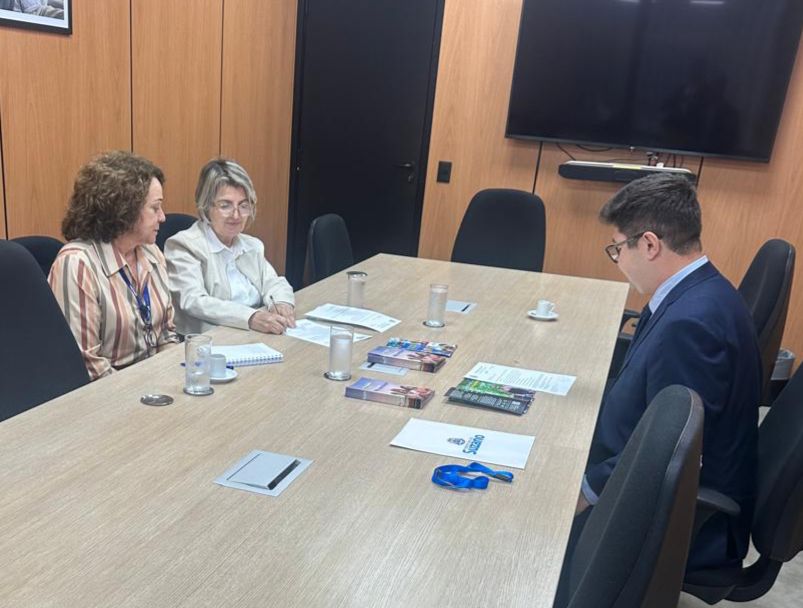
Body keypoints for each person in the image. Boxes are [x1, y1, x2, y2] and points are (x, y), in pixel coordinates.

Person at [579, 174, 761, 572]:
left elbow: (666, 452)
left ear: (649, 244)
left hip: (669, 520)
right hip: (627, 465)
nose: (618, 261)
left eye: (617, 248)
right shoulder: (695, 291)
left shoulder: (690, 324)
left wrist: (585, 493)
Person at [49, 151, 178, 381]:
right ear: (125, 210)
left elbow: (166, 335)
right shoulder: (77, 264)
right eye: (155, 208)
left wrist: (174, 378)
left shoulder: (152, 253)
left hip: (155, 384)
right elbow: (88, 365)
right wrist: (143, 392)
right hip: (109, 392)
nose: (162, 217)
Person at [164, 158, 295, 335]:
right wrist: (250, 318)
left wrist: (282, 302)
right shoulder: (184, 246)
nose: (236, 215)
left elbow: (273, 282)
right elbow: (194, 301)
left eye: (243, 205)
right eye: (225, 206)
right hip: (211, 340)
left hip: (256, 335)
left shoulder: (252, 245)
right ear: (205, 206)